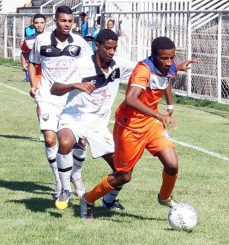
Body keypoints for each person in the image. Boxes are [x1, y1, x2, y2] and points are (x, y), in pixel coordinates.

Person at [80, 36, 200, 219]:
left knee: (172, 165)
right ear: (153, 56)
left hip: (151, 125)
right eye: (165, 58)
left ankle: (164, 197)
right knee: (124, 176)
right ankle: (88, 200)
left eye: (172, 58)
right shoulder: (143, 71)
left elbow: (168, 77)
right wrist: (159, 115)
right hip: (130, 127)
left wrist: (170, 104)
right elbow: (130, 98)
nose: (169, 62)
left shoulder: (168, 66)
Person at [50, 29, 135, 210]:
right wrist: (75, 84)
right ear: (97, 46)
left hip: (98, 125)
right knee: (64, 142)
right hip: (73, 117)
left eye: (114, 48)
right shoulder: (80, 65)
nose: (111, 52)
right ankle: (65, 189)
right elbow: (54, 88)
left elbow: (144, 68)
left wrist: (175, 67)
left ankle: (109, 200)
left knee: (124, 172)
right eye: (107, 48)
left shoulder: (118, 65)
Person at [29, 5, 93, 199]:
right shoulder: (41, 40)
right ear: (55, 21)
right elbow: (33, 62)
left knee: (81, 141)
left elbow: (91, 67)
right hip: (48, 97)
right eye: (63, 21)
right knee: (50, 139)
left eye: (70, 21)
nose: (67, 24)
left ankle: (76, 175)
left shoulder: (80, 43)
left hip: (72, 99)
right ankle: (59, 179)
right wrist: (33, 84)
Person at [21, 13, 46, 142]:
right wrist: (23, 62)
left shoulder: (50, 38)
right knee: (40, 104)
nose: (39, 25)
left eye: (41, 22)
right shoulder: (29, 39)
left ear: (45, 24)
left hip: (51, 75)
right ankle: (43, 129)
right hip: (36, 75)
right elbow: (24, 52)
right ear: (33, 23)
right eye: (37, 23)